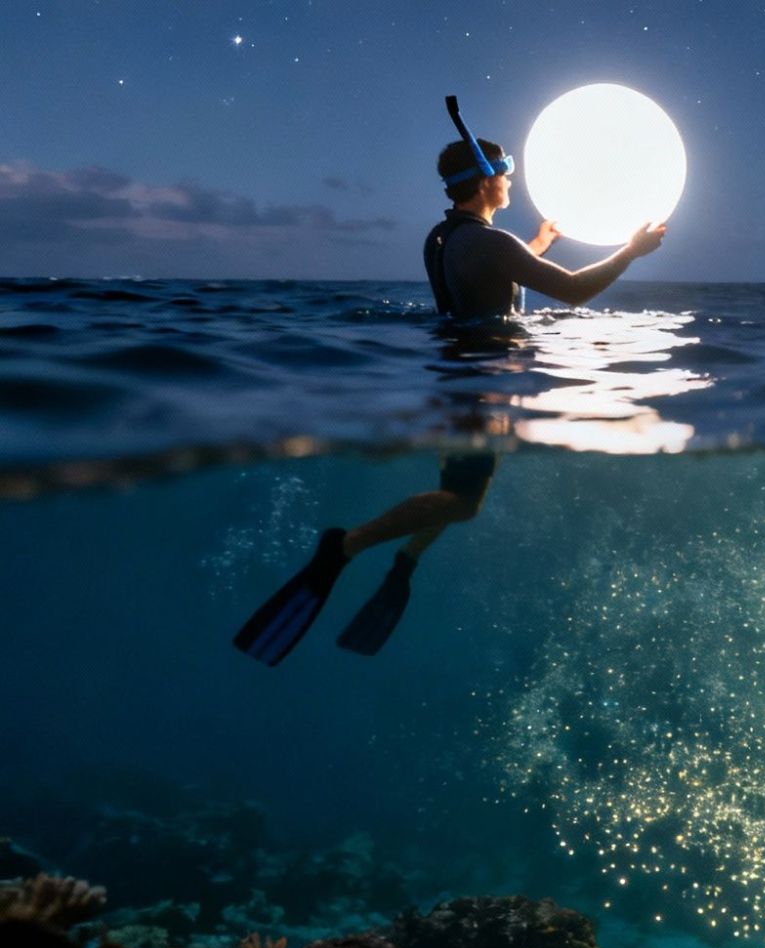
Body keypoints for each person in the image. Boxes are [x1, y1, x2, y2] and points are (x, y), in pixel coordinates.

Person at [232, 96, 667, 666]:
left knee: (463, 498)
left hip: (455, 375)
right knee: (461, 503)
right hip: (481, 383)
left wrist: (537, 246)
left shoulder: (443, 237)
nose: (511, 181)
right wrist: (631, 251)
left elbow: (487, 274)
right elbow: (573, 290)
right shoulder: (489, 242)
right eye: (506, 173)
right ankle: (347, 545)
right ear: (487, 181)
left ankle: (405, 559)